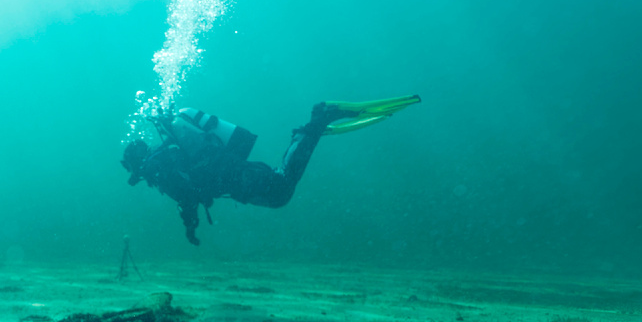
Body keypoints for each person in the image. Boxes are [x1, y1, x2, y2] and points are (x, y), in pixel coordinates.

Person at [121, 96, 420, 245]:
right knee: (280, 185)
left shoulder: (158, 167)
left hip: (237, 179)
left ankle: (316, 122)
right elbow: (191, 190)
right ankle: (308, 133)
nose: (135, 174)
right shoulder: (167, 154)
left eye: (131, 167)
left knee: (281, 190)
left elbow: (186, 197)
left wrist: (190, 227)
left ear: (136, 161)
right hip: (236, 174)